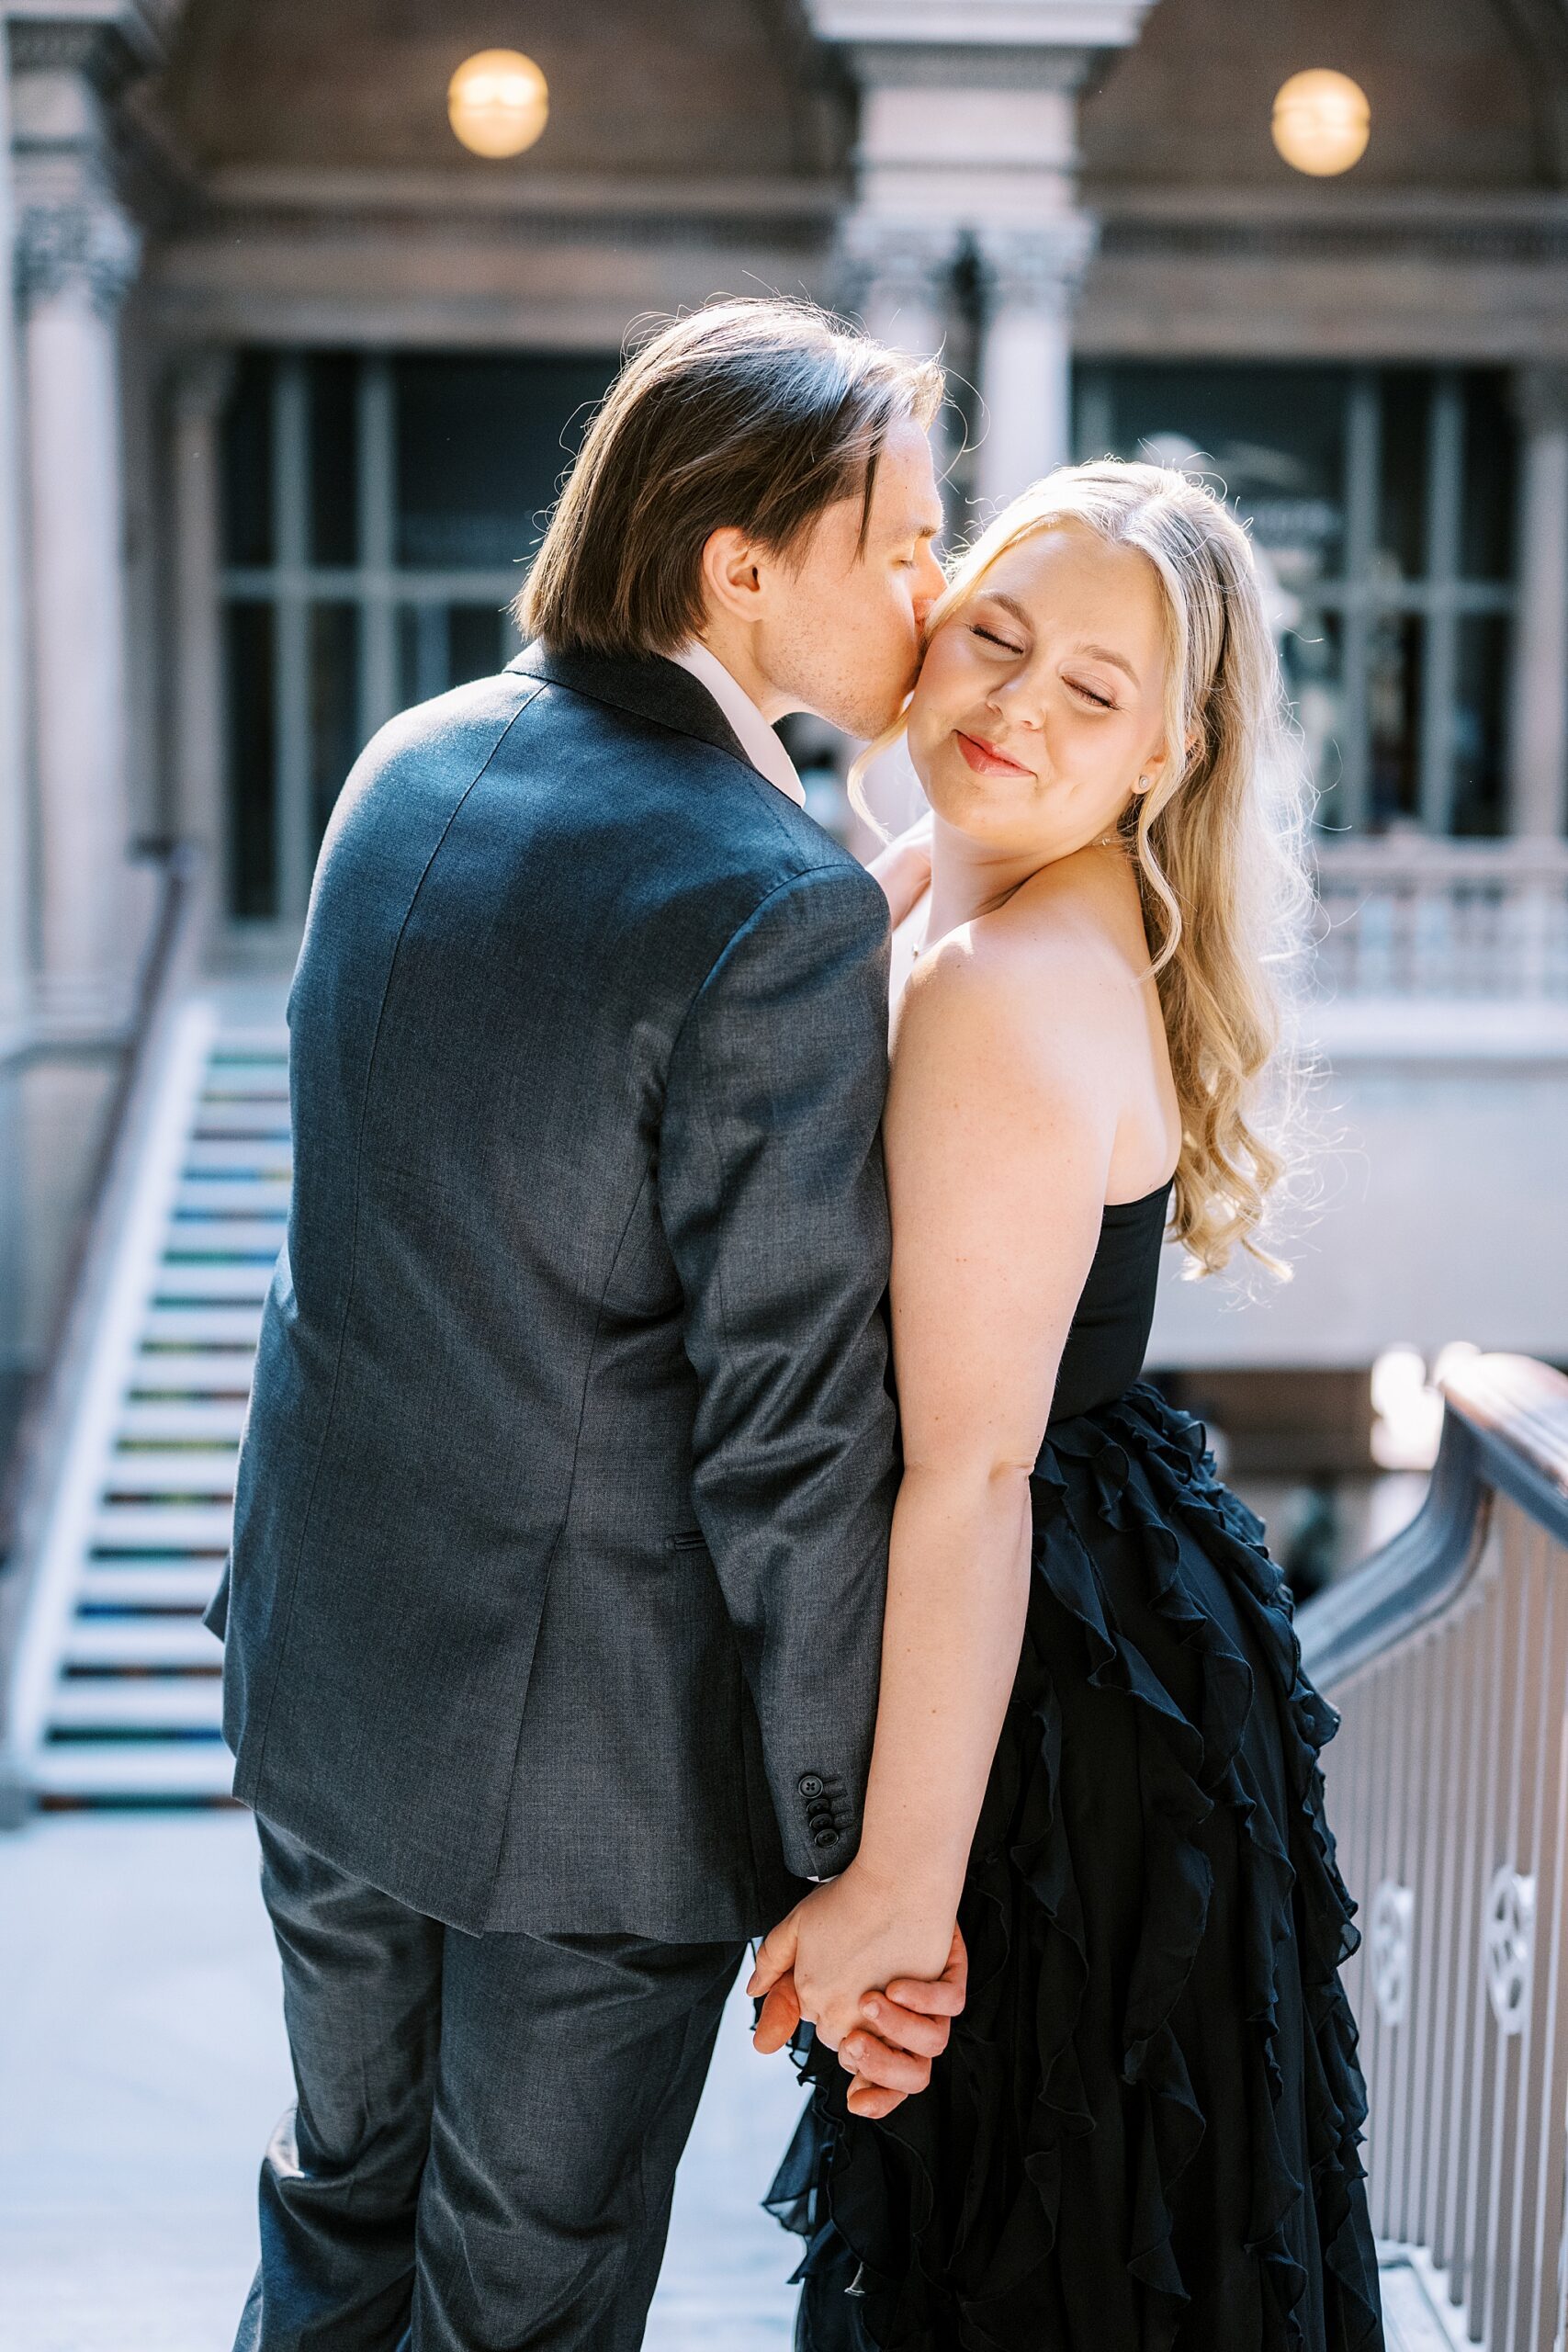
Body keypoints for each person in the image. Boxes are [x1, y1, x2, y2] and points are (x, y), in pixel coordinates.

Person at [208, 297, 964, 2352]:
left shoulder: (410, 760)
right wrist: (845, 1851)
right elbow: (791, 1435)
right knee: (520, 2306)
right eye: (902, 543)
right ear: (740, 565)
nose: (935, 589)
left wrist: (828, 912)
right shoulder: (771, 904)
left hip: (329, 1685)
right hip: (591, 1793)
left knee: (337, 2210)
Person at [751, 461, 1384, 2351]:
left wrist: (898, 1887)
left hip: (1044, 1704)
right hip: (1110, 1638)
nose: (1015, 705)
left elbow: (967, 1475)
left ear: (1165, 751)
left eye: (1090, 691)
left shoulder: (1005, 980)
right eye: (994, 638)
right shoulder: (996, 888)